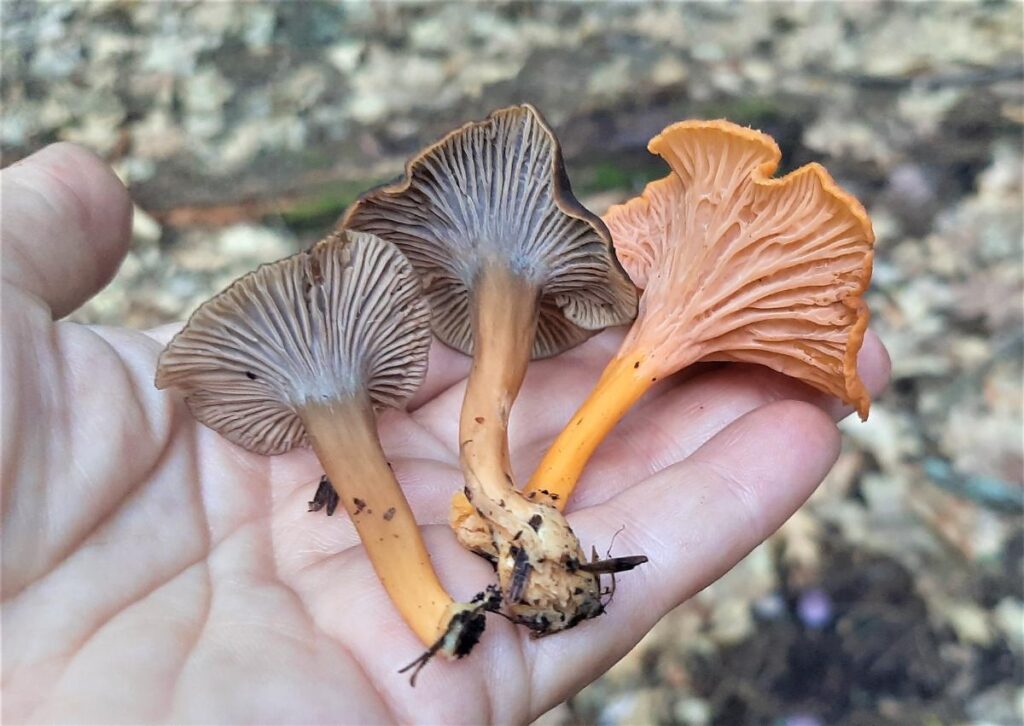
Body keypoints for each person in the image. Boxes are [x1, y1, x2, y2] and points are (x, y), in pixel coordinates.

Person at [2, 143, 889, 724]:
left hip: (521, 479)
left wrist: (501, 504)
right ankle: (466, 589)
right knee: (480, 474)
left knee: (512, 473)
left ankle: (512, 526)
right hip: (357, 418)